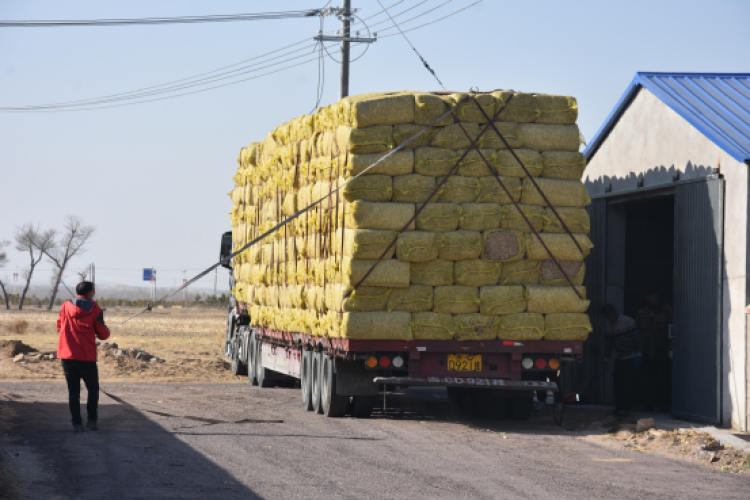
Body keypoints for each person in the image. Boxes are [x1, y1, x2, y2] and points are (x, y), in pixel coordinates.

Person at [57, 281, 110, 432]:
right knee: (92, 389)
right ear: (91, 293)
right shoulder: (96, 309)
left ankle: (76, 424)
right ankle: (91, 421)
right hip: (86, 356)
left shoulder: (65, 306)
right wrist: (106, 330)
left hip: (67, 354)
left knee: (73, 391)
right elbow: (103, 335)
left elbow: (59, 326)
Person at [601, 303, 643, 417]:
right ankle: (618, 408)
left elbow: (637, 339)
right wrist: (606, 358)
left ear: (615, 311)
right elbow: (609, 343)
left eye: (611, 315)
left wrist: (639, 355)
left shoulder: (628, 321)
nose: (610, 318)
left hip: (631, 357)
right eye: (607, 317)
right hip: (620, 358)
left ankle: (626, 408)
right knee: (617, 384)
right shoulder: (608, 325)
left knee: (628, 384)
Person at [636, 292, 673, 412]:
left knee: (663, 381)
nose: (656, 299)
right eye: (653, 296)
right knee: (647, 381)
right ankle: (648, 405)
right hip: (646, 352)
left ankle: (664, 405)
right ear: (647, 298)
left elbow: (672, 328)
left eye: (657, 296)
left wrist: (670, 347)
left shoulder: (664, 312)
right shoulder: (641, 313)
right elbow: (638, 332)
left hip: (661, 352)